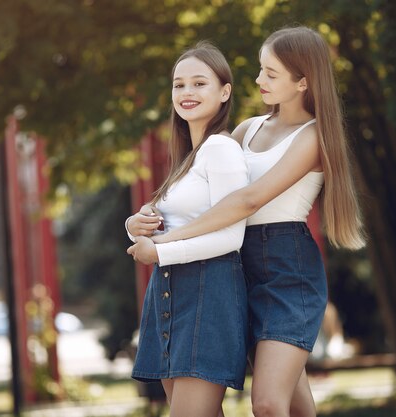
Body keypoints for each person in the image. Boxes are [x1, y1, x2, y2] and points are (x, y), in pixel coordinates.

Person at [128, 26, 365, 417]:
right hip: (236, 268)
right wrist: (147, 217)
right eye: (260, 70)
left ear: (302, 81)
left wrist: (170, 243)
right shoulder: (246, 129)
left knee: (270, 404)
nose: (258, 80)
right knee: (296, 406)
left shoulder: (313, 138)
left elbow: (248, 200)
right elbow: (205, 186)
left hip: (286, 271)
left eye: (271, 73)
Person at [127, 41, 250, 417]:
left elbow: (233, 236)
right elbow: (175, 224)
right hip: (168, 295)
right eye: (179, 85)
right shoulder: (186, 159)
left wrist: (160, 251)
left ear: (224, 91)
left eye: (199, 83)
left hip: (208, 294)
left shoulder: (221, 149)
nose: (187, 93)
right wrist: (135, 226)